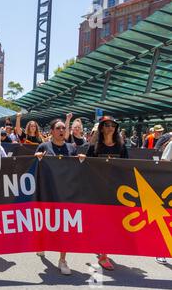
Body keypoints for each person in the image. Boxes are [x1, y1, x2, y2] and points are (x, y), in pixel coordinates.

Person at [35, 118, 84, 276]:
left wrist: (81, 160)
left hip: (65, 194)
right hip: (47, 193)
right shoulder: (44, 146)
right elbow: (33, 168)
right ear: (52, 131)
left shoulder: (71, 148)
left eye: (63, 128)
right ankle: (41, 243)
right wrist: (37, 159)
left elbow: (76, 169)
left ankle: (62, 260)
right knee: (46, 223)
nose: (61, 130)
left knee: (64, 227)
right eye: (58, 128)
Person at [86, 116, 128, 271]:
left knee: (109, 223)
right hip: (96, 190)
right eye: (107, 125)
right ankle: (98, 246)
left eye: (113, 125)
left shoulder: (122, 146)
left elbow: (127, 167)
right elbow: (88, 167)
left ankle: (104, 256)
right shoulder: (94, 146)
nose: (111, 127)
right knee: (97, 222)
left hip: (115, 190)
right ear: (101, 128)